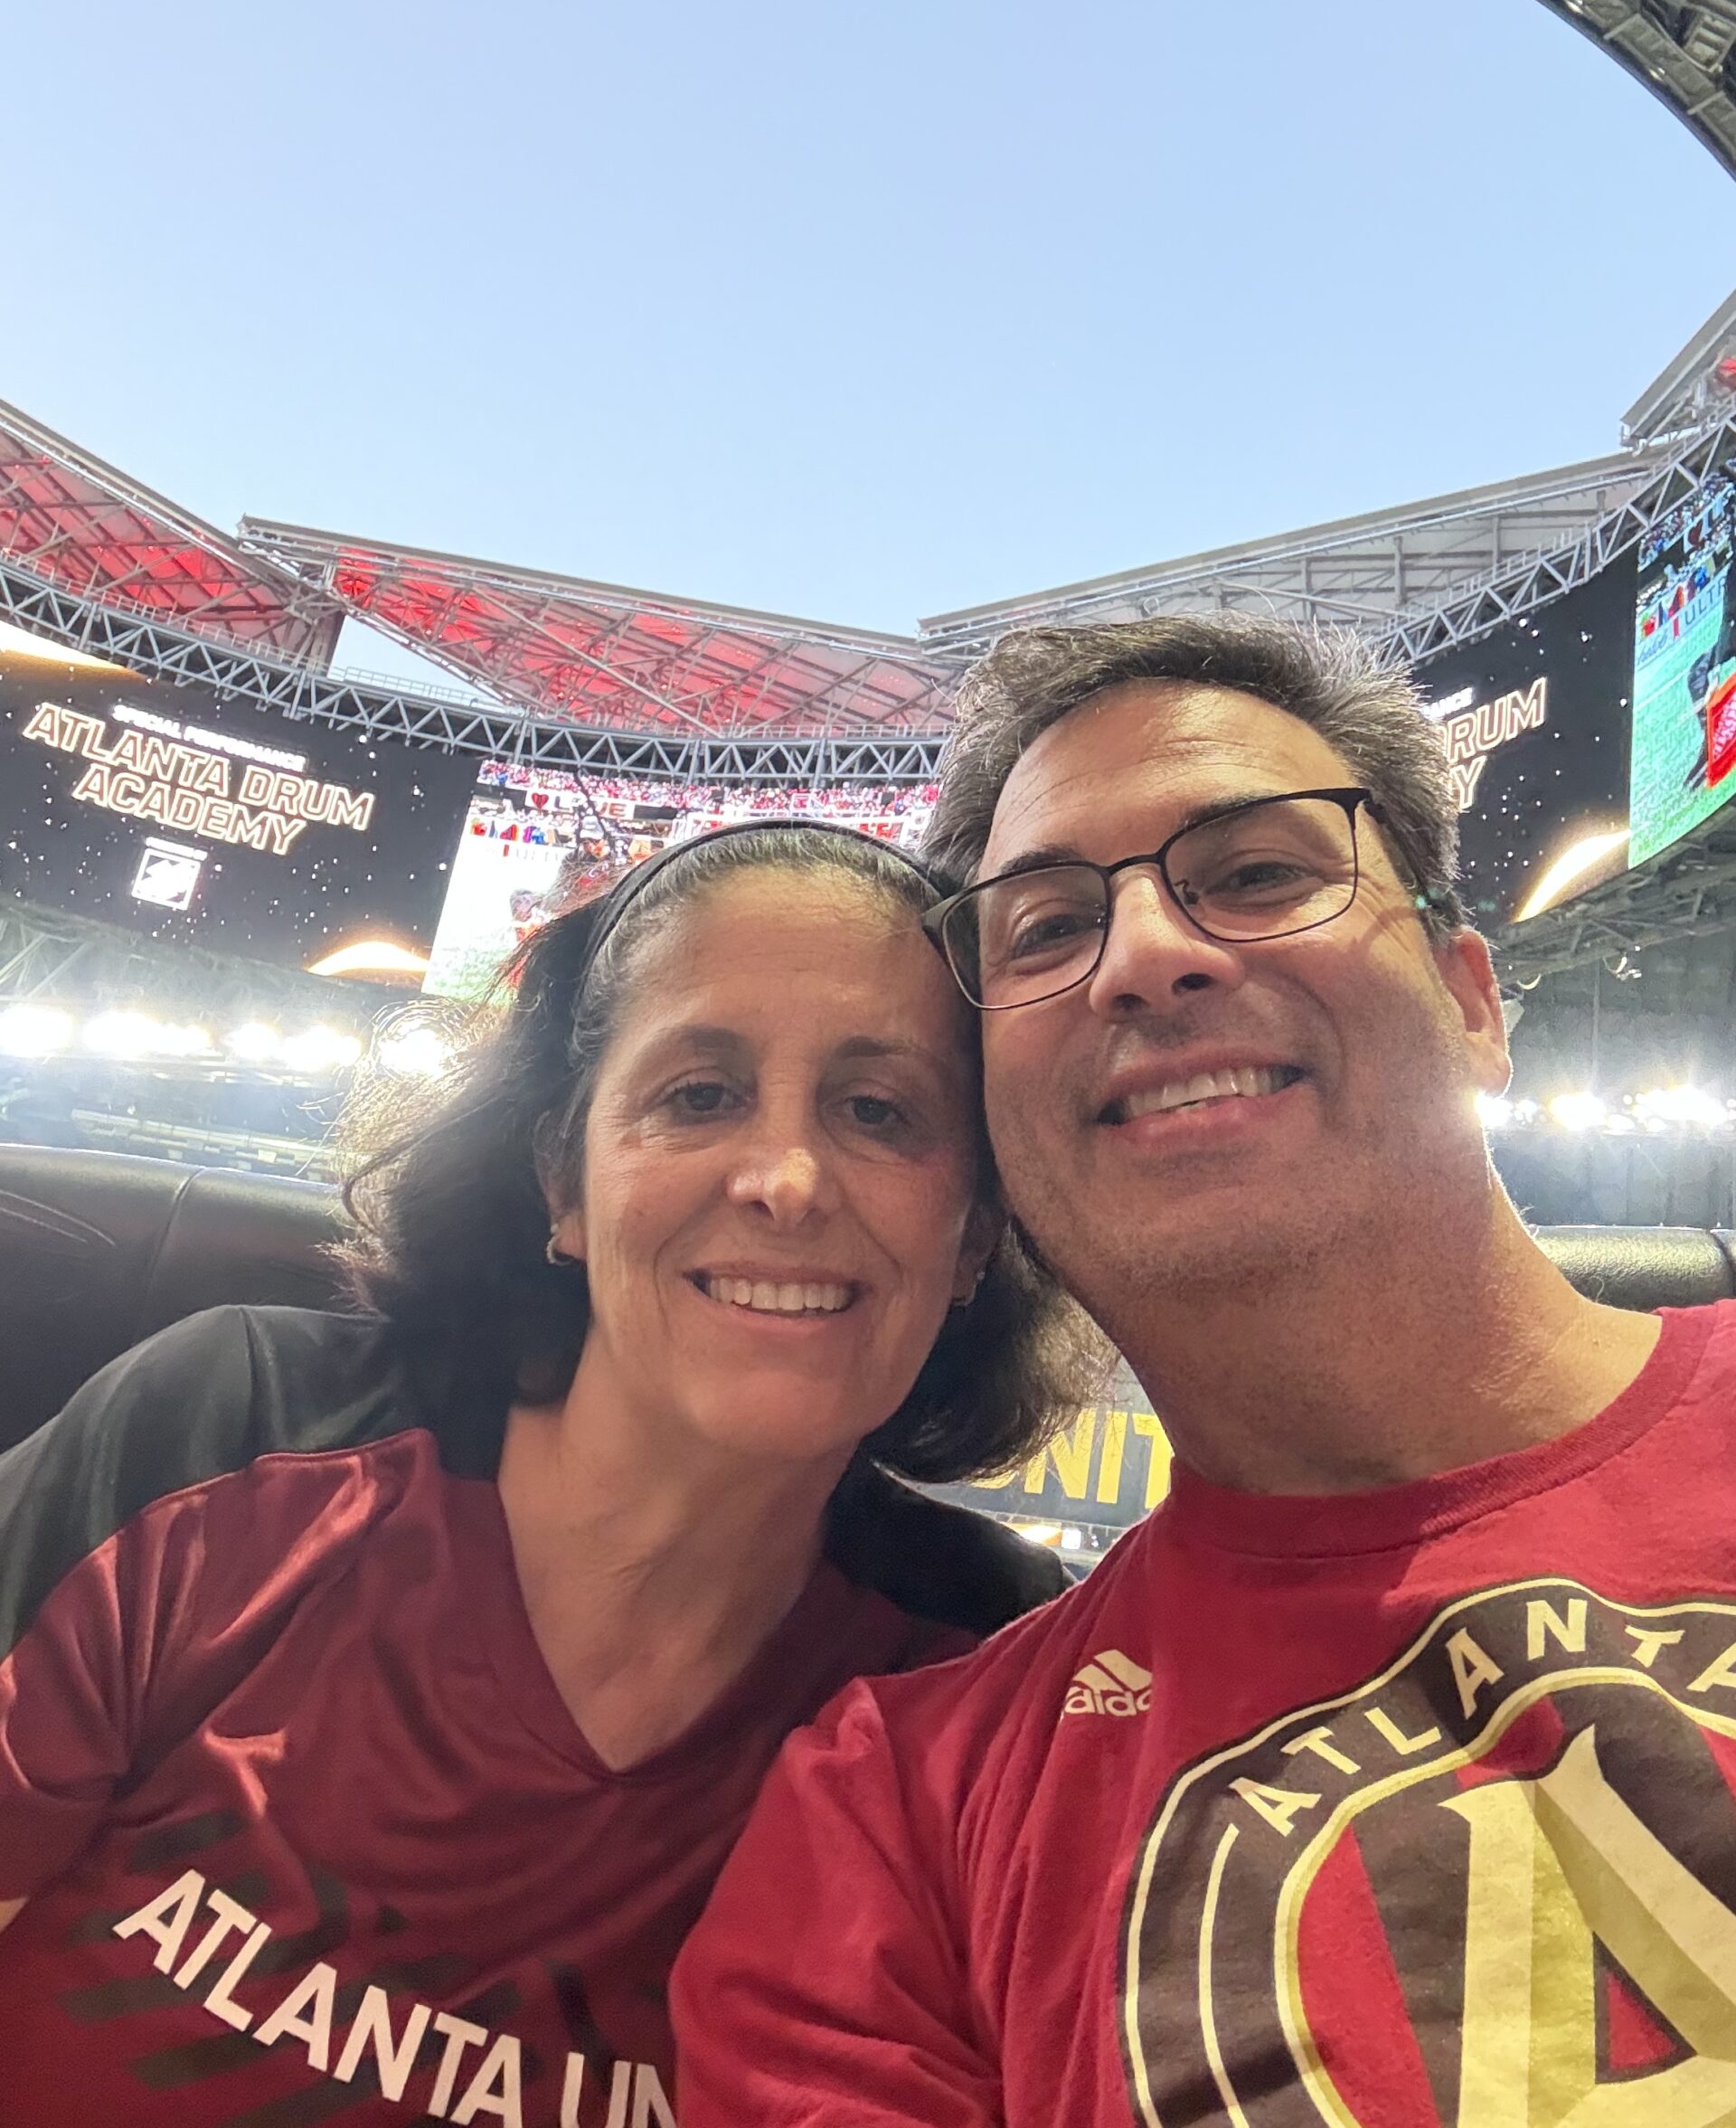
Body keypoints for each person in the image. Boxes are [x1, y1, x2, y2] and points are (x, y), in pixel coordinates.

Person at [675, 617, 1736, 2125]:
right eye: (1043, 929)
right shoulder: (891, 1838)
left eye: (1256, 874)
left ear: (1475, 998)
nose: (1150, 957)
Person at [0, 820, 1096, 2126]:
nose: (788, 1181)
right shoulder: (235, 1436)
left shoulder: (982, 1673)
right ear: (562, 1184)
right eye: (699, 1093)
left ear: (976, 1231)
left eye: (879, 1111)